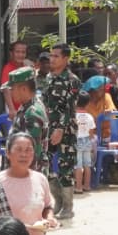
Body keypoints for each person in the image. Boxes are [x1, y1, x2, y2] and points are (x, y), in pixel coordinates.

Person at [40, 46, 82, 220]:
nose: (52, 59)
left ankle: (68, 206)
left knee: (66, 167)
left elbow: (69, 108)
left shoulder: (72, 80)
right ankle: (58, 200)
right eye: (51, 55)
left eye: (56, 56)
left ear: (65, 59)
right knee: (46, 164)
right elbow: (44, 102)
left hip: (66, 129)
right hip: (48, 127)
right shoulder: (48, 78)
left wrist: (60, 129)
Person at [5, 67, 50, 175]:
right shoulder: (26, 106)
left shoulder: (32, 112)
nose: (11, 92)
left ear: (24, 89)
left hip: (29, 173)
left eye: (12, 89)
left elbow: (31, 151)